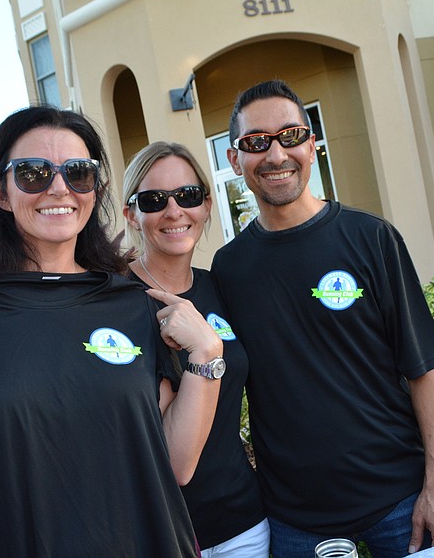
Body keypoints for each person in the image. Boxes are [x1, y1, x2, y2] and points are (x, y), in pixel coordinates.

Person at [0, 106, 224, 556]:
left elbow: (176, 464)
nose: (60, 187)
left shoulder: (130, 304)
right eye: (34, 173)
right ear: (1, 192)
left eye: (78, 173)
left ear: (94, 190)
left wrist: (206, 356)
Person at [210, 80, 434, 558]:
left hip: (400, 502)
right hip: (295, 520)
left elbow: (425, 367)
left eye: (290, 136)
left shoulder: (372, 238)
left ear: (311, 145)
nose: (276, 154)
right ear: (234, 159)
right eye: (256, 142)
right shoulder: (229, 268)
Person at [122, 141, 269, 557]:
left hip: (243, 526)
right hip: (158, 534)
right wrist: (205, 351)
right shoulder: (114, 303)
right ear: (132, 214)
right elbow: (175, 463)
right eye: (154, 200)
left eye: (187, 196)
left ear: (206, 205)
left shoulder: (220, 286)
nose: (174, 211)